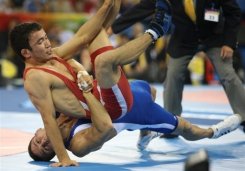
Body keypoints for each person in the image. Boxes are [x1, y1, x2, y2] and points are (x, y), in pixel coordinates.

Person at [9, 0, 171, 167]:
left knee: (98, 32)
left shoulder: (51, 56)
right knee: (106, 61)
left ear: (36, 133)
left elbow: (82, 37)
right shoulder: (34, 78)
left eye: (45, 38)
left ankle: (115, 4)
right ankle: (155, 30)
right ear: (26, 53)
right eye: (40, 42)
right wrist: (63, 157)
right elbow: (48, 119)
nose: (47, 43)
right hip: (106, 106)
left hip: (99, 92)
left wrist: (106, 6)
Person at [110, 0, 245, 136]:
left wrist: (229, 42)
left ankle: (244, 117)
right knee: (173, 76)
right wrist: (114, 28)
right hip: (184, 39)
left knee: (228, 75)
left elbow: (233, 12)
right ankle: (171, 125)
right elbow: (144, 7)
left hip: (214, 37)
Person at [28, 79, 242, 162]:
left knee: (151, 89)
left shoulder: (52, 113)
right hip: (135, 110)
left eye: (37, 141)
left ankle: (146, 132)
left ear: (37, 131)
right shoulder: (77, 145)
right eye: (45, 149)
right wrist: (87, 93)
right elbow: (108, 129)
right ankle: (215, 131)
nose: (43, 143)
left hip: (124, 87)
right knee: (188, 129)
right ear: (55, 150)